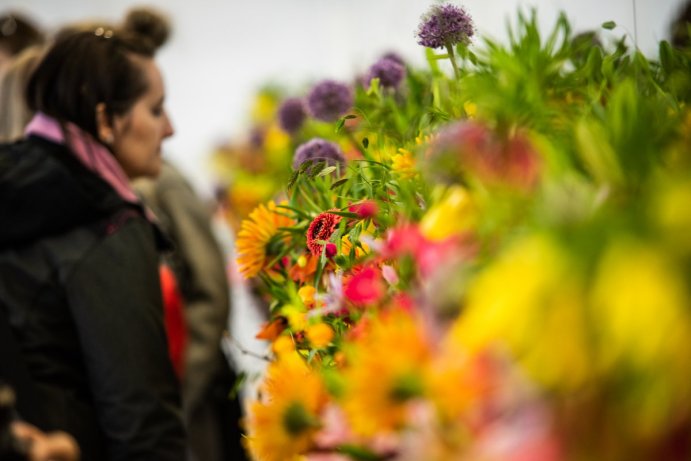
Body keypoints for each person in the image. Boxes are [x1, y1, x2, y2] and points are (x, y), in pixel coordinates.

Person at [0, 23, 185, 461]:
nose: (170, 129)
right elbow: (140, 420)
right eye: (156, 110)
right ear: (104, 119)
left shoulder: (17, 187)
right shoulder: (107, 221)